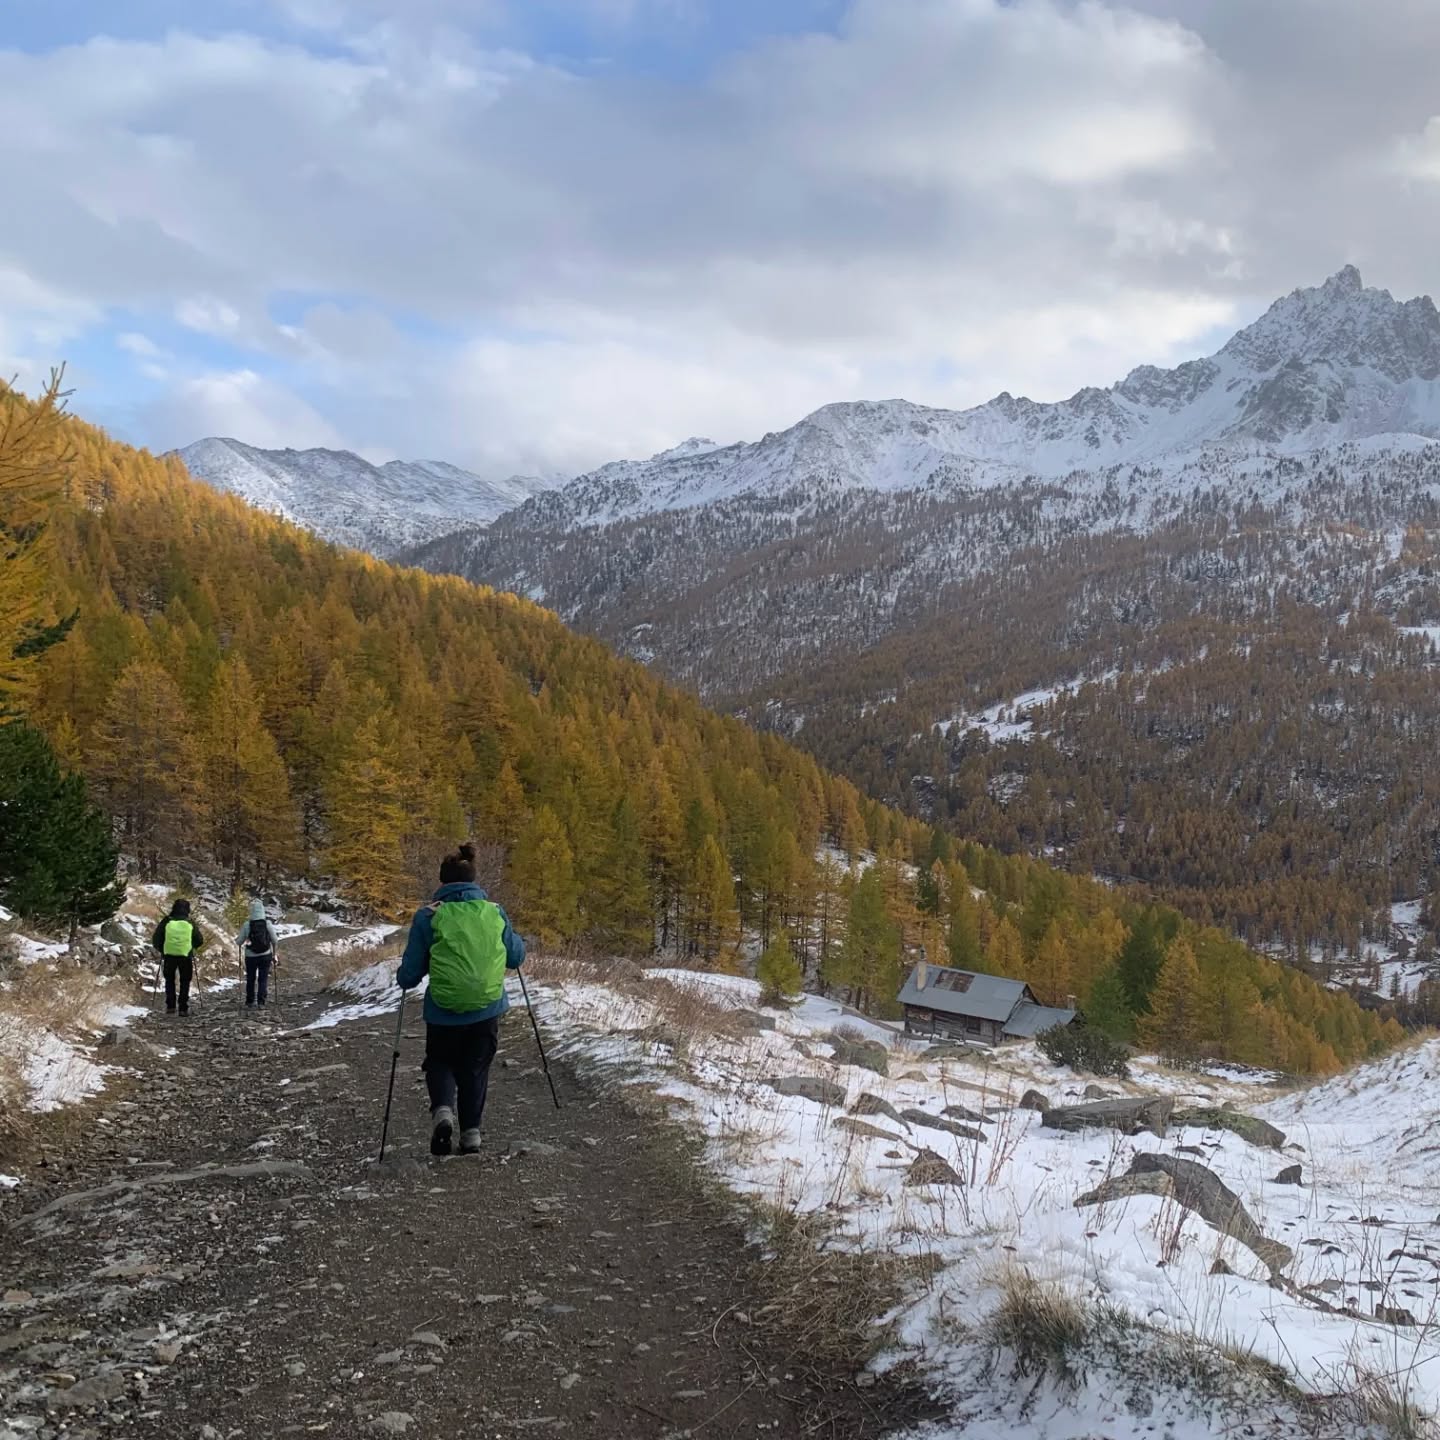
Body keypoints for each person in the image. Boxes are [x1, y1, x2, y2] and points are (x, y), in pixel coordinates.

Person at [396, 843, 525, 1156]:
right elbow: (516, 957)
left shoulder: (428, 916)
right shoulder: (494, 912)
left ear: (442, 884)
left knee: (440, 1062)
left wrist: (404, 978)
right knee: (476, 1068)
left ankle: (443, 1110)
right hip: (487, 1008)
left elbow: (410, 974)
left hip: (443, 1010)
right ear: (474, 881)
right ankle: (471, 1135)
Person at [151, 898, 206, 1016]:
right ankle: (183, 1008)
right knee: (185, 981)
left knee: (169, 980)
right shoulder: (189, 922)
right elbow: (200, 940)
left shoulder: (166, 921)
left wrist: (163, 949)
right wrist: (191, 947)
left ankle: (170, 1006)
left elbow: (156, 939)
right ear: (187, 909)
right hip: (185, 956)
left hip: (169, 955)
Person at [236, 899, 277, 1007]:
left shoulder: (247, 924)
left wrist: (240, 941)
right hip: (265, 955)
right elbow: (275, 940)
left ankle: (250, 1001)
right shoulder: (267, 923)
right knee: (263, 978)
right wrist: (274, 954)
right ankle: (261, 1002)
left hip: (250, 956)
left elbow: (239, 942)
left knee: (250, 978)